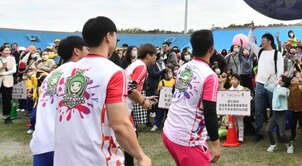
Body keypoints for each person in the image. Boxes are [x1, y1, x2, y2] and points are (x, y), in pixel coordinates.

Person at [53, 16, 151, 166]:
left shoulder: (66, 71)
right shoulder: (114, 72)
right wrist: (141, 156)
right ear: (108, 36)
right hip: (97, 157)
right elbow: (120, 125)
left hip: (64, 156)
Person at [162, 29, 221, 165]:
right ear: (211, 48)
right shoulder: (210, 76)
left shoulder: (185, 67)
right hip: (187, 139)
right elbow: (210, 111)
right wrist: (216, 144)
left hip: (170, 130)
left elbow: (177, 93)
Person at [30, 36, 89, 166]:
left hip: (42, 141)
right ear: (77, 51)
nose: (89, 53)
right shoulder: (79, 73)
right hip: (65, 145)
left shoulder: (51, 75)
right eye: (87, 49)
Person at [247, 21, 284, 141]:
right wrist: (251, 30)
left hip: (273, 86)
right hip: (260, 85)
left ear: (269, 42)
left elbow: (280, 71)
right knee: (258, 110)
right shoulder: (260, 52)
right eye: (262, 40)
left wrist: (278, 84)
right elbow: (249, 42)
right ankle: (258, 132)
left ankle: (278, 132)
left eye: (264, 40)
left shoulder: (277, 54)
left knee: (275, 110)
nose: (262, 42)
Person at [124, 43, 157, 166]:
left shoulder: (135, 65)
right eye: (155, 55)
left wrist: (145, 97)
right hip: (123, 107)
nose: (156, 58)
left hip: (123, 105)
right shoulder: (142, 67)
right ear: (148, 55)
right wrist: (143, 102)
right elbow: (129, 88)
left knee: (131, 137)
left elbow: (130, 88)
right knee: (130, 138)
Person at [265, 74, 293, 153]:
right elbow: (266, 86)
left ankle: (289, 145)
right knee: (268, 130)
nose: (278, 81)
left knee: (282, 134)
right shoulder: (276, 87)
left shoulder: (286, 90)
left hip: (282, 114)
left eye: (280, 80)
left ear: (283, 83)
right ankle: (273, 144)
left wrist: (277, 85)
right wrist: (267, 80)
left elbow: (282, 93)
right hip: (275, 114)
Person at [288, 70, 302, 146]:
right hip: (293, 109)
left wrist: (300, 78)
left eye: (295, 79)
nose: (293, 79)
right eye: (292, 79)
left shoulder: (300, 87)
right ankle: (293, 136)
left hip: (301, 109)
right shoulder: (289, 87)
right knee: (293, 124)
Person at [0, 46, 16, 124]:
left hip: (8, 81)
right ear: (1, 52)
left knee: (7, 100)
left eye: (8, 50)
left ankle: (7, 117)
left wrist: (3, 73)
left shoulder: (12, 59)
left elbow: (14, 70)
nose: (8, 51)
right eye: (6, 50)